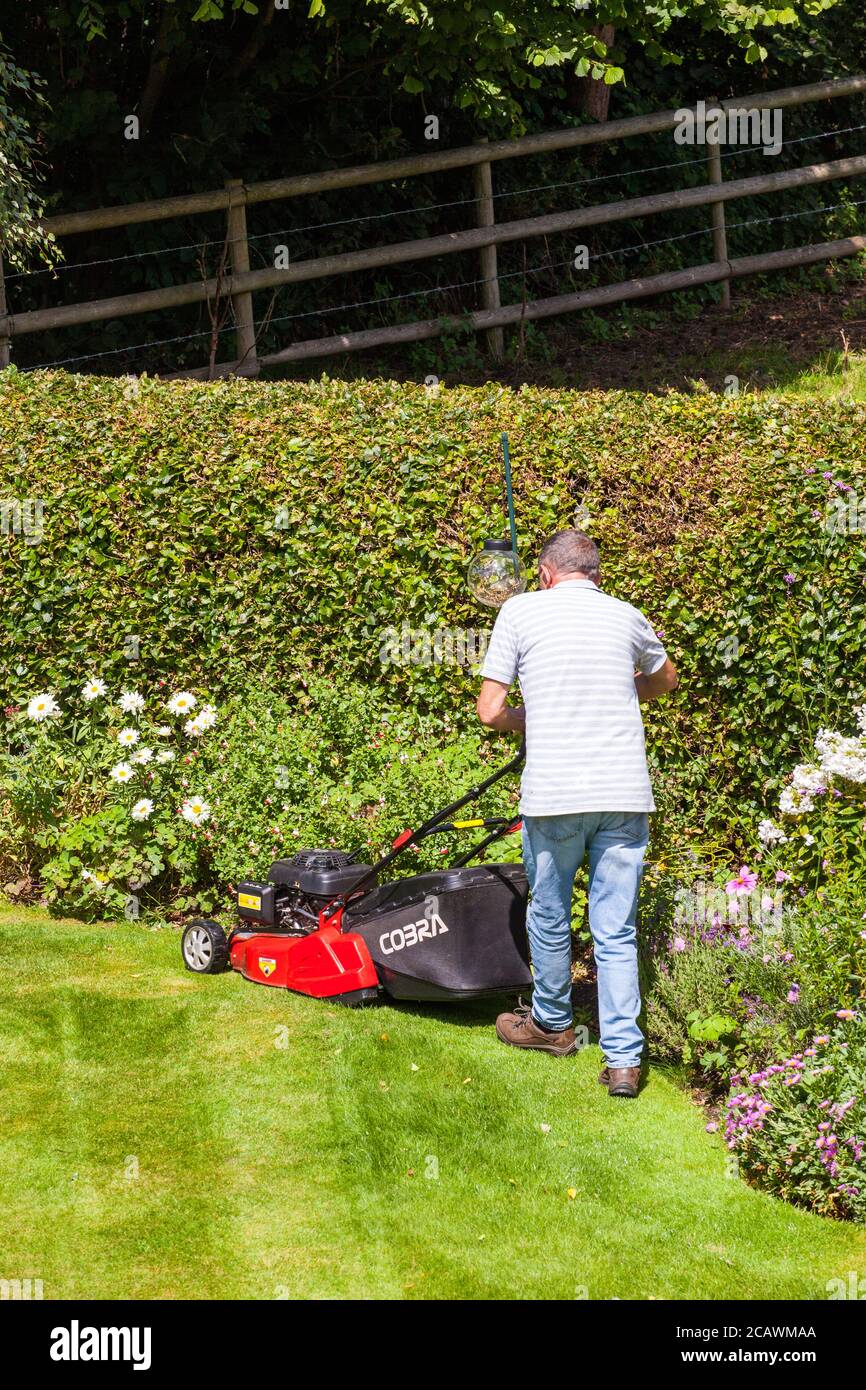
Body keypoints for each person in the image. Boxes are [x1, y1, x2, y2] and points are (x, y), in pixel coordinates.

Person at [476, 529, 678, 1098]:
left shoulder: (518, 612)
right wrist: (615, 688)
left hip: (556, 794)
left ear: (544, 572)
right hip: (623, 796)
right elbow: (666, 679)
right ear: (594, 573)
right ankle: (623, 1062)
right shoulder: (625, 614)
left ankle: (553, 1026)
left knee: (549, 913)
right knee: (615, 929)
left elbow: (490, 711)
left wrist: (532, 718)